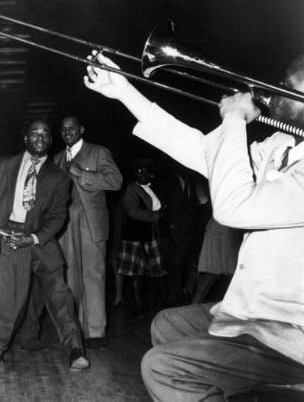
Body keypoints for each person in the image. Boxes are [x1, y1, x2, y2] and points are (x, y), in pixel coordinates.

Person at [86, 52, 304, 400]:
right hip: (253, 315)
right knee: (167, 324)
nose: (271, 92)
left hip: (289, 337)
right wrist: (125, 91)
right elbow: (203, 152)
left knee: (161, 366)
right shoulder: (283, 146)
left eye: (286, 88)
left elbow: (234, 207)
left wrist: (234, 119)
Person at [0, 118, 88, 371]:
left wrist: (33, 238)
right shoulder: (2, 165)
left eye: (45, 134)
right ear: (26, 138)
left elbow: (58, 216)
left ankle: (75, 350)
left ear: (50, 140)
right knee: (7, 301)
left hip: (39, 239)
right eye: (35, 133)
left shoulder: (58, 177)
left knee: (60, 295)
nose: (40, 138)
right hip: (8, 237)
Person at [54, 114, 123, 345]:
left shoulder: (98, 152)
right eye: (64, 129)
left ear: (81, 129)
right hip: (65, 223)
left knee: (94, 275)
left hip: (91, 221)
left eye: (72, 128)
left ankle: (95, 332)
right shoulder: (56, 159)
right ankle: (76, 332)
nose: (67, 132)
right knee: (71, 277)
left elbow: (115, 181)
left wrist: (81, 174)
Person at [112, 159, 168, 312]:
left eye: (145, 172)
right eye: (139, 172)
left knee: (152, 272)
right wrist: (155, 216)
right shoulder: (132, 189)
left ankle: (151, 304)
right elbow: (133, 211)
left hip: (150, 234)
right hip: (135, 235)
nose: (142, 175)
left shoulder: (151, 188)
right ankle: (139, 305)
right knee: (137, 272)